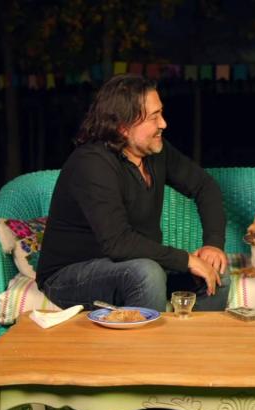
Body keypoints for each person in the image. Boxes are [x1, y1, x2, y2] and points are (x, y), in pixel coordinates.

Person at [36, 74, 229, 312]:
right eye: (154, 117)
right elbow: (118, 243)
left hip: (134, 265)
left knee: (217, 272)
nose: (164, 124)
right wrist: (187, 260)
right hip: (69, 276)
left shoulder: (156, 151)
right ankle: (147, 350)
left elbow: (204, 186)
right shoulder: (93, 162)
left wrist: (213, 245)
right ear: (123, 127)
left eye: (161, 113)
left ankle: (193, 349)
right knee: (146, 273)